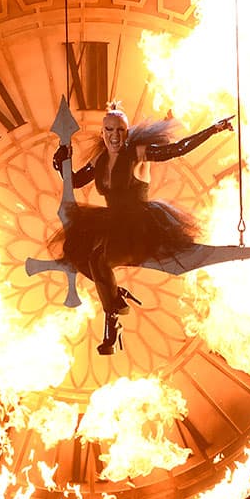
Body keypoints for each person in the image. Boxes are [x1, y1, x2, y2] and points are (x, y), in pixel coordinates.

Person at [52, 102, 233, 355]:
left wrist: (213, 130)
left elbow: (176, 149)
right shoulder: (100, 159)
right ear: (102, 132)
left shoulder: (137, 153)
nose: (114, 136)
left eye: (120, 131)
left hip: (138, 226)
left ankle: (112, 325)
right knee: (75, 251)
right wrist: (59, 163)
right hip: (110, 222)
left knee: (99, 260)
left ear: (126, 133)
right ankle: (114, 295)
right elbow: (76, 179)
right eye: (109, 130)